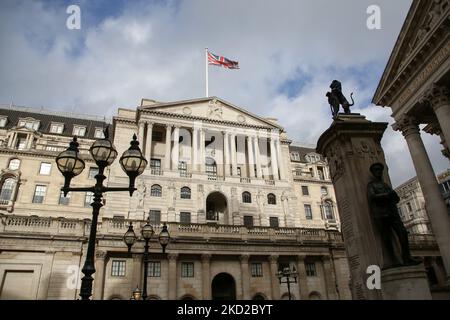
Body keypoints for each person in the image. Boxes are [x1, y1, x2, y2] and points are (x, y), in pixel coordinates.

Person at [367, 162, 420, 267]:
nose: (379, 172)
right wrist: (387, 195)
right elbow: (372, 197)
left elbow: (396, 199)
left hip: (392, 213)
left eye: (380, 170)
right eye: (376, 170)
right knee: (386, 237)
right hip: (381, 214)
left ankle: (407, 257)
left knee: (403, 233)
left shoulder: (385, 185)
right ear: (373, 173)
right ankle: (393, 260)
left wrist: (392, 195)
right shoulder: (371, 185)